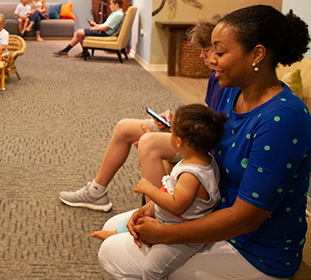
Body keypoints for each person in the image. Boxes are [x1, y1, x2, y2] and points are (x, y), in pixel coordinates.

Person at [98, 5, 311, 279]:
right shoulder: (231, 91)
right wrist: (158, 204)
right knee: (114, 225)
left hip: (255, 250)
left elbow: (247, 218)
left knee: (110, 251)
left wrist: (165, 233)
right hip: (209, 213)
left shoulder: (283, 119)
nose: (212, 61)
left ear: (257, 54)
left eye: (220, 53)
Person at [59, 15, 223, 212]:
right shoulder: (216, 77)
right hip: (201, 132)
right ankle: (96, 191)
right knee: (124, 127)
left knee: (148, 142)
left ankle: (154, 213)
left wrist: (175, 131)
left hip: (206, 144)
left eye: (207, 51)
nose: (203, 56)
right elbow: (207, 113)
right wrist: (176, 120)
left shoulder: (228, 80)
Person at [92, 104, 225, 280]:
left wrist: (150, 190)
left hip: (181, 239)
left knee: (152, 269)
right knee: (135, 219)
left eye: (172, 132)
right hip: (169, 219)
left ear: (178, 141)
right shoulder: (200, 159)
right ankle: (119, 234)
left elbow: (176, 205)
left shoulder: (191, 175)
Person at [54, 0, 125, 57]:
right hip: (102, 31)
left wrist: (94, 28)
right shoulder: (116, 13)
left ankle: (82, 52)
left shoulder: (117, 15)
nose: (110, 6)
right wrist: (96, 25)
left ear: (117, 5)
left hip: (105, 34)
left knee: (79, 32)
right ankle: (67, 50)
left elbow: (106, 28)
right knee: (79, 33)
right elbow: (105, 24)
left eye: (111, 4)